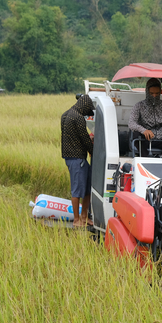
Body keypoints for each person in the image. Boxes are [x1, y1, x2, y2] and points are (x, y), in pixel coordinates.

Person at [61, 94, 94, 227]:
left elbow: (72, 137)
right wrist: (92, 150)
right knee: (77, 189)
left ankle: (84, 217)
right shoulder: (78, 118)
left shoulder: (65, 114)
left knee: (86, 187)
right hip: (77, 158)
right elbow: (84, 138)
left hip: (70, 157)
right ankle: (77, 219)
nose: (87, 114)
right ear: (85, 106)